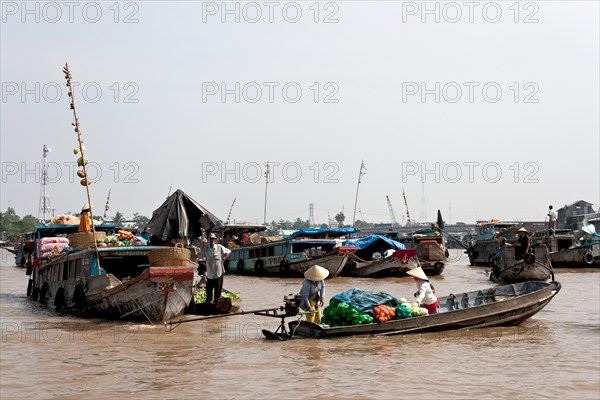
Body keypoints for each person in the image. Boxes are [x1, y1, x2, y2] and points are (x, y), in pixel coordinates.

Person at [197, 233, 231, 303]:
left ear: (215, 240)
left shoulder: (219, 247)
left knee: (218, 289)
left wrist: (224, 258)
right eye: (210, 239)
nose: (211, 241)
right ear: (208, 240)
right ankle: (209, 301)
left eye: (213, 239)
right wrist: (202, 244)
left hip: (218, 271)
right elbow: (200, 255)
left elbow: (228, 251)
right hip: (210, 272)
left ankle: (217, 301)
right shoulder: (206, 248)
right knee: (209, 288)